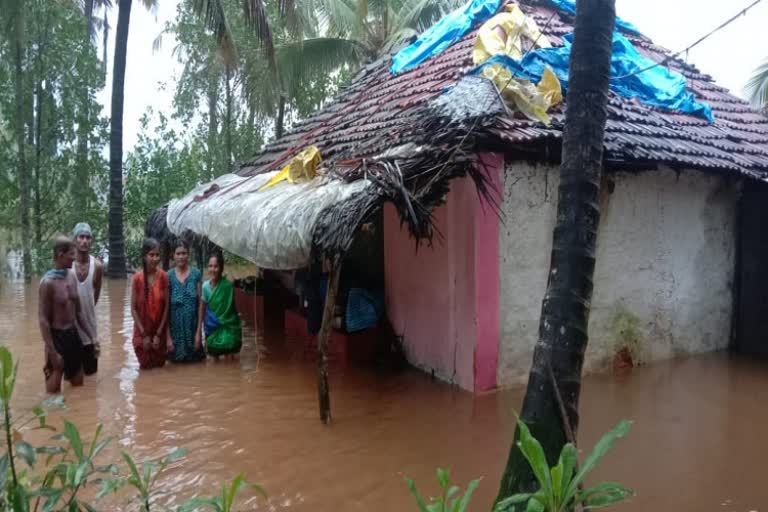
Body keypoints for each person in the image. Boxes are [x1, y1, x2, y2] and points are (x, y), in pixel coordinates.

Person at [39, 236, 96, 393]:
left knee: (78, 387)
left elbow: (78, 312)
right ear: (60, 254)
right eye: (72, 254)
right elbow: (43, 320)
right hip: (56, 339)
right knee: (53, 395)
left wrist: (92, 337)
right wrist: (52, 352)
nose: (74, 258)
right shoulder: (47, 283)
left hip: (73, 336)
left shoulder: (71, 276)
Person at [130, 238, 169, 369]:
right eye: (151, 255)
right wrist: (144, 335)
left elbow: (166, 308)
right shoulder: (137, 279)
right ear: (144, 256)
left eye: (157, 255)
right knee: (145, 369)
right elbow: (133, 309)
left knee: (160, 370)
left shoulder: (163, 277)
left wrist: (158, 334)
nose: (155, 258)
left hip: (159, 334)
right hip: (142, 335)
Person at [71, 222, 103, 375]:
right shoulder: (67, 265)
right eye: (81, 237)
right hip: (70, 331)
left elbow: (95, 297)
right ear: (74, 240)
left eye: (88, 237)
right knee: (72, 378)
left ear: (91, 241)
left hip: (91, 331)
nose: (84, 241)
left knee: (91, 377)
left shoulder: (97, 266)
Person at [196, 252, 242, 358]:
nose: (213, 269)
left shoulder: (228, 286)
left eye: (216, 266)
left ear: (221, 268)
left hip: (229, 327)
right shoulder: (205, 287)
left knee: (230, 357)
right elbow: (202, 309)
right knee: (214, 357)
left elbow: (233, 310)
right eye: (210, 266)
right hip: (212, 327)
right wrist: (199, 331)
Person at [167, 241, 205, 363]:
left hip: (192, 329)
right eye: (178, 253)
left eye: (184, 253)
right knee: (174, 367)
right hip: (175, 333)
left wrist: (199, 332)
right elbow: (165, 308)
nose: (181, 256)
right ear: (173, 256)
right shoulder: (168, 276)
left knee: (197, 365)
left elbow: (200, 305)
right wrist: (168, 337)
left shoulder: (196, 274)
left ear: (188, 255)